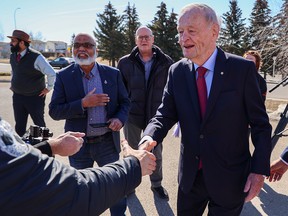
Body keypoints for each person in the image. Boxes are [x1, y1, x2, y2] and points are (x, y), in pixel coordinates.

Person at [139, 3, 272, 215]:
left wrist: (258, 170)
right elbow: (164, 114)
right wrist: (148, 138)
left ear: (214, 32)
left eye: (191, 31)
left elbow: (260, 126)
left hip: (230, 178)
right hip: (190, 180)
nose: (184, 39)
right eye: (181, 32)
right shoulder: (177, 72)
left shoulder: (242, 70)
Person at [0, 117, 156, 216]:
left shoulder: (112, 74)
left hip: (106, 144)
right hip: (83, 153)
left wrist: (49, 147)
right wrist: (133, 165)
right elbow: (73, 192)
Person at [49, 33, 130, 215]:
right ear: (72, 49)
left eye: (87, 44)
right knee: (81, 190)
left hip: (108, 143)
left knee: (115, 188)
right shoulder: (64, 76)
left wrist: (119, 119)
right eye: (77, 45)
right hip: (78, 146)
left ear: (96, 49)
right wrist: (83, 103)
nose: (82, 48)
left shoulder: (113, 74)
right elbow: (54, 111)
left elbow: (125, 102)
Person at [117, 26, 173, 200]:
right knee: (131, 153)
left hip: (155, 117)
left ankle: (157, 185)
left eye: (147, 37)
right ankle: (129, 186)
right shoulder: (125, 62)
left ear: (153, 39)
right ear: (136, 40)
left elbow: (170, 90)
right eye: (140, 37)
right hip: (132, 116)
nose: (144, 40)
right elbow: (121, 91)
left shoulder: (166, 61)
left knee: (156, 153)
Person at [7, 30, 56, 137]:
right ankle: (21, 151)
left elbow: (51, 73)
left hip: (35, 97)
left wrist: (48, 88)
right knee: (19, 126)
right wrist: (13, 84)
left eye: (13, 41)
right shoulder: (13, 56)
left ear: (22, 43)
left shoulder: (36, 57)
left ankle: (46, 149)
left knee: (39, 126)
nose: (10, 43)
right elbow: (14, 71)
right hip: (18, 96)